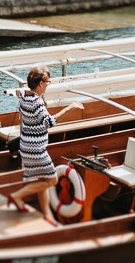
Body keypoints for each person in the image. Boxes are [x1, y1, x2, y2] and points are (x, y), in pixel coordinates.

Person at [6, 67, 84, 225]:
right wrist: (70, 107)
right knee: (52, 180)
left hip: (25, 145)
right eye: (48, 82)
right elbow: (49, 122)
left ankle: (48, 215)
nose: (49, 85)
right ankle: (17, 196)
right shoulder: (37, 102)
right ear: (41, 83)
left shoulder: (23, 97)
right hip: (36, 150)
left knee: (43, 180)